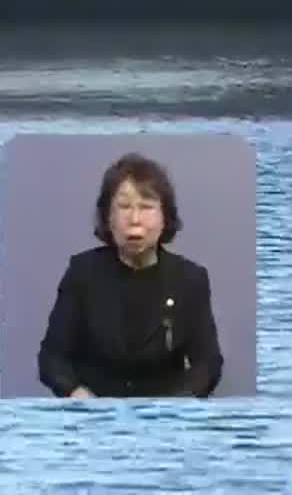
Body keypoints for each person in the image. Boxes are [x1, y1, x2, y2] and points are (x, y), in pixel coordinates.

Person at [37, 152, 223, 398]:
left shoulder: (190, 279)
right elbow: (52, 358)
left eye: (146, 207)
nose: (134, 219)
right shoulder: (82, 272)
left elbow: (208, 363)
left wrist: (180, 404)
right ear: (108, 217)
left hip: (165, 417)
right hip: (94, 415)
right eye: (124, 207)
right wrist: (77, 394)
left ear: (164, 218)